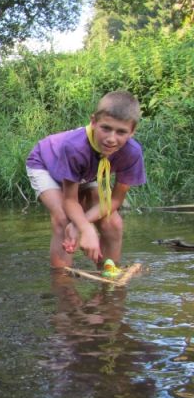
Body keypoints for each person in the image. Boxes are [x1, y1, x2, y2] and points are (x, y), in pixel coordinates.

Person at [26, 90, 146, 268]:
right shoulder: (74, 147)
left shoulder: (132, 153)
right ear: (94, 121)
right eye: (105, 128)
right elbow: (70, 201)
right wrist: (85, 228)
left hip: (87, 170)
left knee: (113, 222)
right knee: (63, 219)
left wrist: (82, 224)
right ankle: (63, 285)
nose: (111, 139)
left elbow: (115, 199)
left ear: (132, 131)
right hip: (45, 164)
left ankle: (109, 277)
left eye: (121, 132)